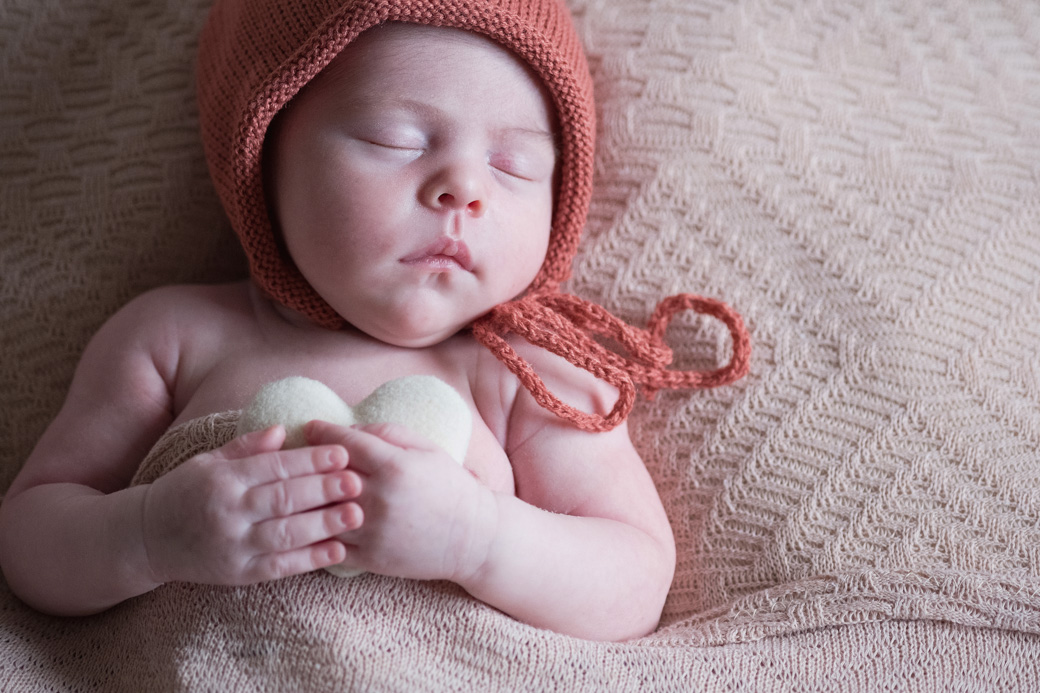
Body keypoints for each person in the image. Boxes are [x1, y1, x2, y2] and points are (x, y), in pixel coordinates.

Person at [0, 0, 749, 642]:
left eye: (514, 164)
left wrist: (478, 539)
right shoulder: (172, 336)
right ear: (262, 155)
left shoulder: (525, 371)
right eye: (396, 140)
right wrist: (148, 534)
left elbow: (634, 578)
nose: (463, 188)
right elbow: (30, 534)